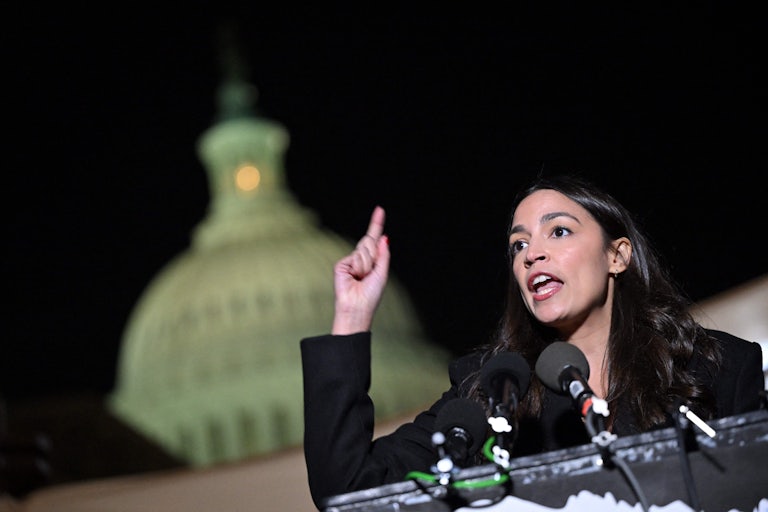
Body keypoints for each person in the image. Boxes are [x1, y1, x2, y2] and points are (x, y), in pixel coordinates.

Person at [300, 174, 765, 508]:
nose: (532, 254)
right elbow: (349, 488)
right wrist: (353, 315)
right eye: (518, 245)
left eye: (558, 231)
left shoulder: (718, 368)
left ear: (617, 256)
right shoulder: (492, 389)